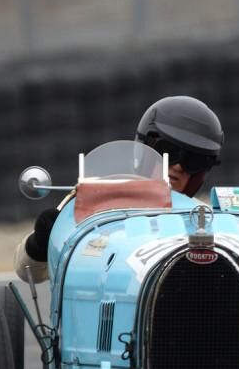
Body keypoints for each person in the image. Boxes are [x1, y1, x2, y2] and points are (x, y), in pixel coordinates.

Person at [15, 96, 224, 283]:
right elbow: (26, 272)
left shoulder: (208, 222)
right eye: (168, 152)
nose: (177, 166)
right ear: (145, 149)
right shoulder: (94, 203)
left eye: (193, 160)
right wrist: (41, 243)